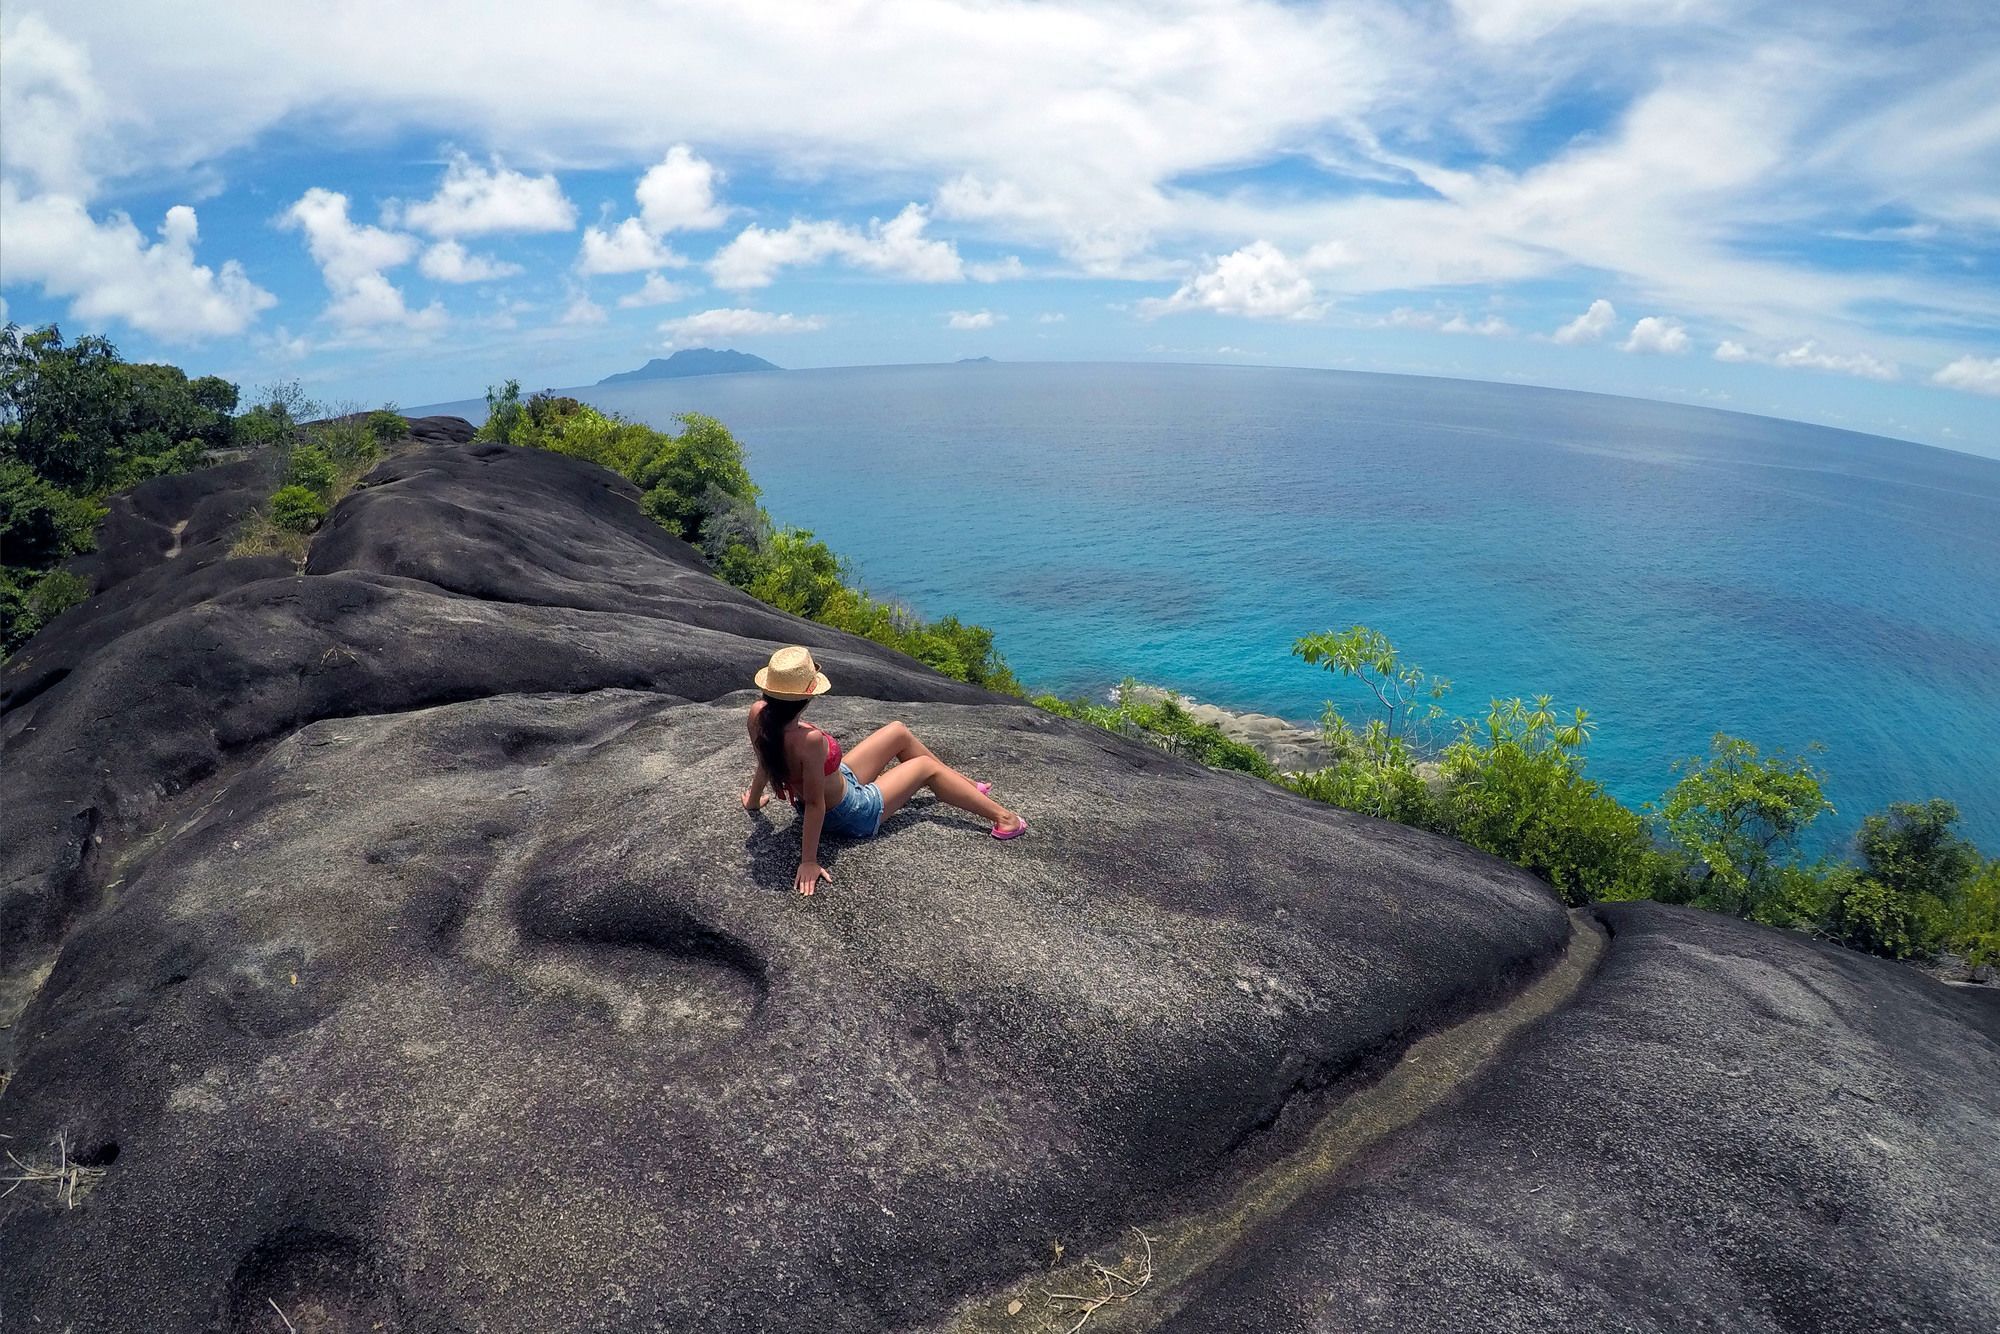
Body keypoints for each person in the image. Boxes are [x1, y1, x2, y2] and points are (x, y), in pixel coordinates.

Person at [743, 645, 1027, 894]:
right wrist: (808, 860)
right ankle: (1004, 818)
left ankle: (960, 783)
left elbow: (764, 761)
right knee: (925, 767)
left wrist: (754, 801)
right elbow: (816, 804)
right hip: (851, 813)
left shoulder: (759, 714)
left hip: (841, 783)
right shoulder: (809, 742)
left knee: (898, 731)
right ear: (808, 696)